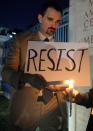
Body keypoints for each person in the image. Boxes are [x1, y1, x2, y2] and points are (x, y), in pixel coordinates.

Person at [2, 1, 68, 131]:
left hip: (53, 108)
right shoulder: (21, 40)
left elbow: (64, 76)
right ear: (40, 18)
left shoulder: (62, 47)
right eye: (50, 19)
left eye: (58, 22)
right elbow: (6, 73)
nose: (54, 25)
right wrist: (27, 78)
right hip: (25, 109)